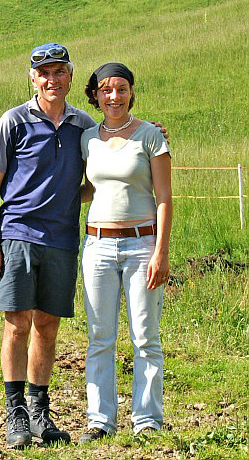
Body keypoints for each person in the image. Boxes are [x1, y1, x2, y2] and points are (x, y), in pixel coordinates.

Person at [0, 43, 96, 448]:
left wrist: (149, 142)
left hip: (62, 240)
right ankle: (14, 416)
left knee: (47, 326)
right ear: (33, 78)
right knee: (17, 324)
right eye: (43, 72)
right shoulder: (13, 121)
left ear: (70, 77)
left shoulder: (84, 125)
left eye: (59, 72)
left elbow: (110, 158)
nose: (52, 79)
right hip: (17, 236)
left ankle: (39, 414)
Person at [79, 63, 172, 443]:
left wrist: (161, 253)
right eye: (105, 89)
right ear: (96, 96)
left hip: (142, 245)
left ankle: (147, 420)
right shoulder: (86, 138)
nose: (113, 96)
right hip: (97, 246)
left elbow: (164, 198)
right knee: (100, 336)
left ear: (131, 92)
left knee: (145, 336)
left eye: (120, 89)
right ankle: (100, 421)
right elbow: (88, 189)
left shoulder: (151, 136)